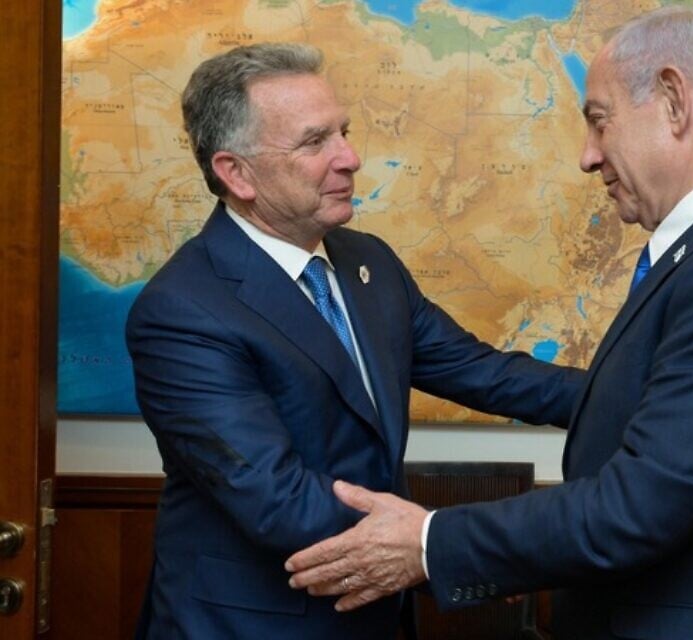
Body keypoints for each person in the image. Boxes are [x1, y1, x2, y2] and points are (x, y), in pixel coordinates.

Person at [286, 6, 693, 639]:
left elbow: (638, 508)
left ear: (675, 102)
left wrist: (429, 541)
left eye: (599, 122)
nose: (587, 156)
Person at [126, 43, 583, 639]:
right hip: (252, 625)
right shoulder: (183, 311)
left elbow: (487, 373)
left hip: (375, 613)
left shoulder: (369, 264)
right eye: (315, 142)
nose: (351, 158)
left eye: (343, 132)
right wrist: (445, 545)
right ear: (236, 173)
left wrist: (647, 392)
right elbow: (276, 498)